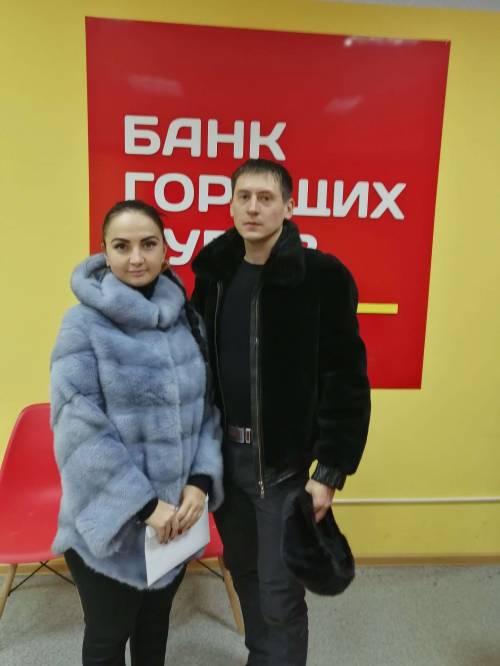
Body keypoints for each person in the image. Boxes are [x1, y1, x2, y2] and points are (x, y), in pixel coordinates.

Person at [191, 158, 370, 666]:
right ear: (230, 204)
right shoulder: (215, 274)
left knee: (279, 591)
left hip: (283, 468)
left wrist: (329, 472)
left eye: (266, 198)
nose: (253, 208)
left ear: (288, 207)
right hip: (224, 458)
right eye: (244, 197)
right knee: (245, 573)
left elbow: (346, 380)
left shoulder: (322, 276)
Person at [50, 199, 223, 666]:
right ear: (104, 252)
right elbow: (80, 432)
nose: (136, 258)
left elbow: (207, 409)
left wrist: (199, 482)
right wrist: (145, 506)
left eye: (148, 244)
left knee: (154, 627)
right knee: (108, 635)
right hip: (110, 524)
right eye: (121, 246)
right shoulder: (83, 325)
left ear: (166, 250)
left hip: (174, 521)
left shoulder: (186, 320)